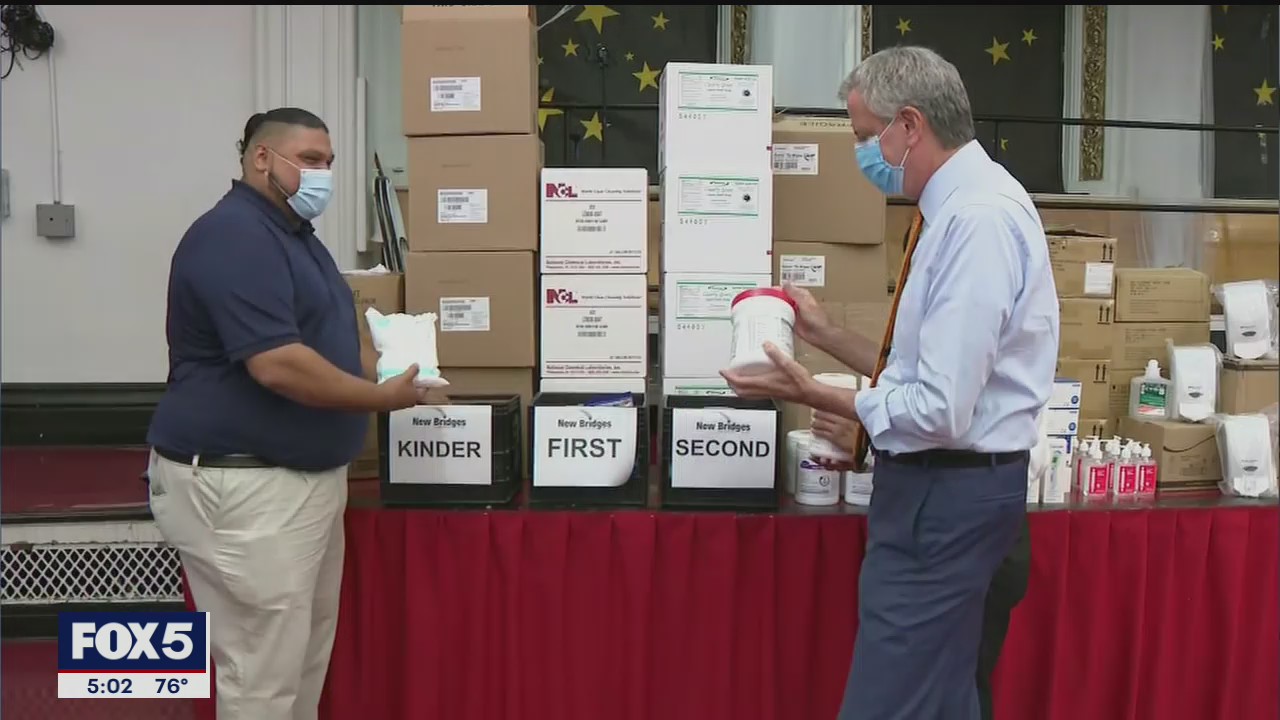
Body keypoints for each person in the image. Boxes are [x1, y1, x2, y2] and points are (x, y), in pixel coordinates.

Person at [720, 46, 1058, 719]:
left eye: (865, 137)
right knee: (941, 700)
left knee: (894, 702)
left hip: (947, 498)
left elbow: (938, 407)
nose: (864, 155)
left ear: (910, 125)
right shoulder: (954, 209)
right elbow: (924, 370)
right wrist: (826, 338)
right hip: (938, 493)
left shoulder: (977, 221)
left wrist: (806, 391)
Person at [145, 107, 427, 720]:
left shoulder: (296, 238)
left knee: (297, 664)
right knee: (259, 677)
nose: (322, 174)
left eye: (328, 162)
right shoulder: (233, 235)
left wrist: (402, 371)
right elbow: (277, 364)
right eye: (309, 160)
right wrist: (381, 400)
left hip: (298, 485)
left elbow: (333, 335)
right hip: (244, 486)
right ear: (261, 159)